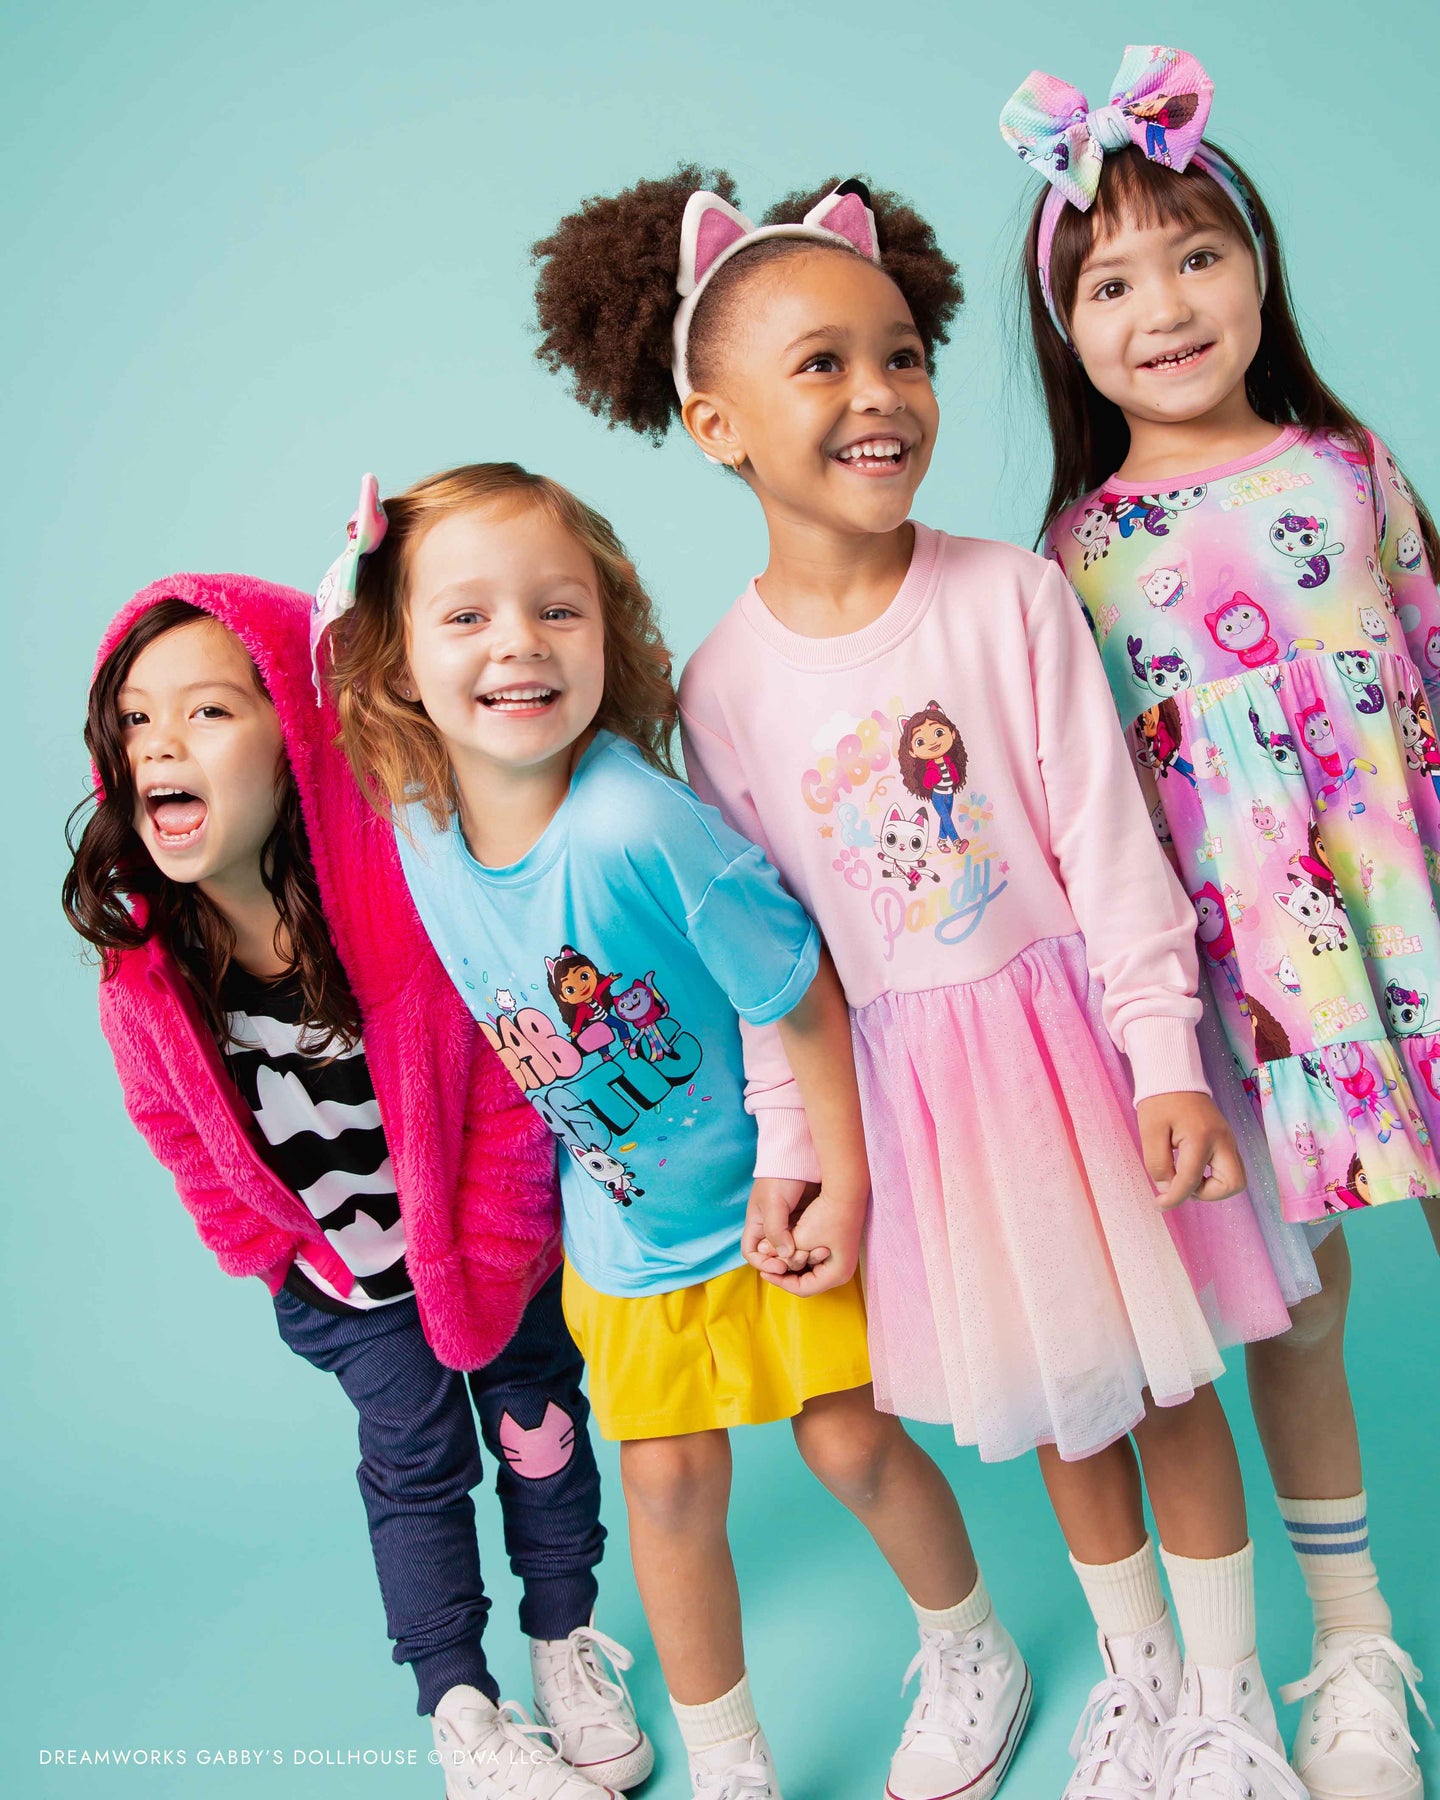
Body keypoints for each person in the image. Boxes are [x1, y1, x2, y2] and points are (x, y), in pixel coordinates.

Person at [532, 165, 1315, 1799]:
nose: (880, 391)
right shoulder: (722, 691)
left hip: (1078, 1054)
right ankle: (1139, 1681)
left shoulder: (1011, 597)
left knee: (1168, 1383)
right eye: (822, 363)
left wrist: (1166, 1055)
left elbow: (1110, 848)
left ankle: (1230, 1698)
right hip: (927, 1103)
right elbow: (775, 975)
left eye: (902, 354)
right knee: (1065, 1401)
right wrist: (801, 1155)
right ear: (717, 425)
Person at [322, 461, 1029, 1800]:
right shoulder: (414, 821)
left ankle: (973, 1651)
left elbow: (798, 994)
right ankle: (728, 1765)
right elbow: (316, 680)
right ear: (399, 661)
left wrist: (833, 1183)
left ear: (611, 630)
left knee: (851, 1444)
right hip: (626, 1235)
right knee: (666, 1489)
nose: (520, 644)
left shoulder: (637, 824)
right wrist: (350, 580)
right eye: (465, 617)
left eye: (558, 609)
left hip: (773, 1199)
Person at [1006, 42, 1434, 1799]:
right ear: (1067, 332)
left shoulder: (1350, 468)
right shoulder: (1071, 554)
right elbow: (1096, 817)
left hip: (1414, 934)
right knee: (1303, 1316)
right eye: (1110, 282)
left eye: (1195, 255)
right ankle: (1354, 1646)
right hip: (1252, 995)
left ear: (1259, 271)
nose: (1164, 306)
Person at [62, 571, 649, 1799]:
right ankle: (460, 1709)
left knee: (538, 1428)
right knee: (414, 1464)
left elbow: (502, 1076)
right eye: (137, 719)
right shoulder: (150, 980)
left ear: (294, 735)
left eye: (209, 712)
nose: (161, 743)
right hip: (348, 1282)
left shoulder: (399, 900)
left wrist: (500, 1247)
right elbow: (173, 1128)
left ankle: (564, 1641)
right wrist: (267, 1252)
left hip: (491, 1254)